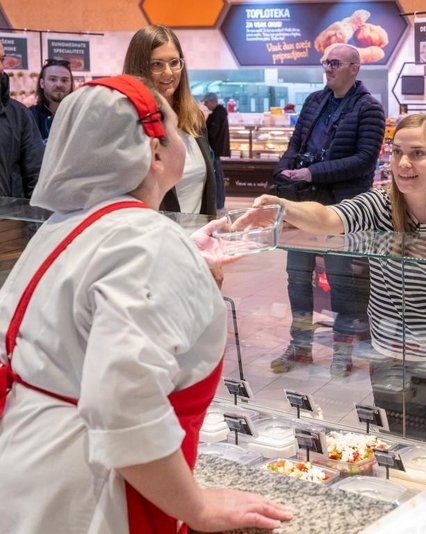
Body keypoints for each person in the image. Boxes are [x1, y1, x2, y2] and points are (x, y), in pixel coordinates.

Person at [0, 75, 292, 533]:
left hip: (27, 463)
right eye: (176, 129)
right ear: (153, 152)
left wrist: (183, 256)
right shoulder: (148, 244)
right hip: (94, 493)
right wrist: (196, 507)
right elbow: (123, 404)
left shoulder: (66, 224)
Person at [251, 113, 426, 451]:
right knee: (404, 447)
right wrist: (282, 207)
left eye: (417, 153)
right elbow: (327, 218)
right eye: (397, 152)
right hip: (392, 356)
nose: (404, 163)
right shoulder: (377, 207)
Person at [269, 43, 385, 376]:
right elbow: (296, 144)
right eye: (325, 62)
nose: (328, 68)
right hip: (305, 204)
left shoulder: (370, 109)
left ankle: (343, 351)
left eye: (335, 63)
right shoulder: (314, 101)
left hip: (342, 209)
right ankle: (300, 346)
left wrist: (313, 172)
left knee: (341, 280)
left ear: (355, 67)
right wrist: (284, 171)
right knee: (297, 277)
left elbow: (364, 161)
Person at [123, 24, 217, 216]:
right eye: (157, 64)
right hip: (154, 239)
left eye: (174, 62)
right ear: (139, 68)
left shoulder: (194, 118)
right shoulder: (127, 123)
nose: (168, 72)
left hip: (197, 241)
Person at [0, 41, 44, 198]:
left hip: (9, 218)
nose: (1, 68)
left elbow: (36, 173)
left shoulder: (19, 114)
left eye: (1, 59)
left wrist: (35, 220)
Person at [28, 58, 74, 142]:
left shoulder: (79, 115)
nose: (59, 84)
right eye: (53, 79)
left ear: (71, 84)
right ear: (42, 83)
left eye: (64, 80)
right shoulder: (29, 116)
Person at [203, 92, 230, 209]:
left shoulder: (217, 114)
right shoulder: (219, 113)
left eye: (206, 102)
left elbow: (212, 133)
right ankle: (219, 202)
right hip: (217, 150)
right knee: (218, 176)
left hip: (215, 150)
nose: (205, 104)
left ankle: (218, 202)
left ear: (212, 101)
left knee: (217, 177)